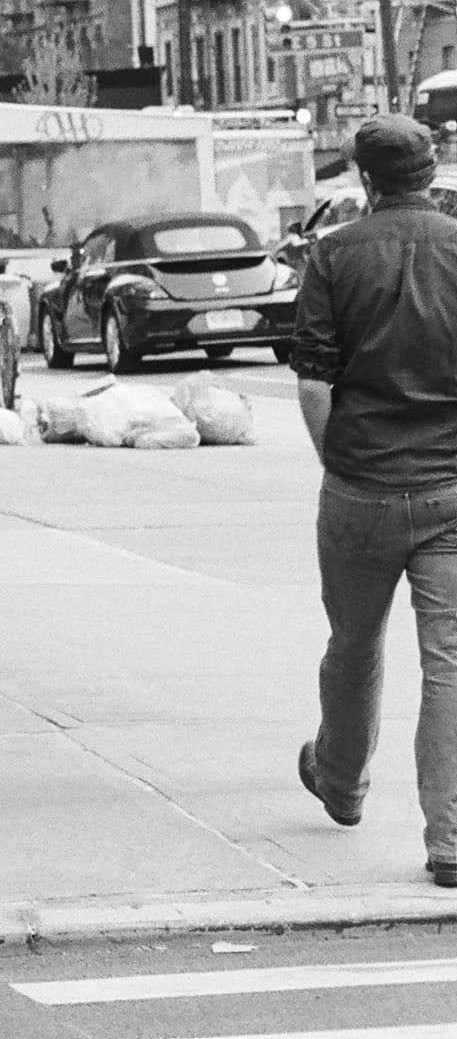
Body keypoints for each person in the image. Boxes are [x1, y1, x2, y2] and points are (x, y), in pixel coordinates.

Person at [288, 114, 457, 887]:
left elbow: (313, 378)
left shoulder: (332, 253)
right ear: (430, 172)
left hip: (359, 485)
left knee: (353, 646)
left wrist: (340, 464)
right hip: (451, 487)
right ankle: (450, 842)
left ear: (364, 178)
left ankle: (340, 779)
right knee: (448, 664)